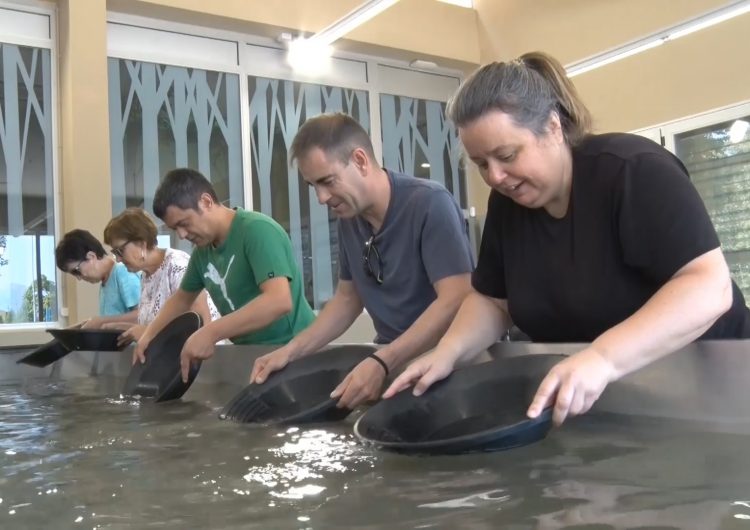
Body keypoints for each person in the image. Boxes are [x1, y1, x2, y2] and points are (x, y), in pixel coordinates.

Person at [384, 51, 750, 425]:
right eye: (481, 164)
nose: (494, 176)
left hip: (720, 391)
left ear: (554, 128)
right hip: (617, 403)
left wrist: (602, 358)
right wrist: (448, 351)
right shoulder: (507, 205)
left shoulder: (633, 172)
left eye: (506, 155)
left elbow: (708, 286)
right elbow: (494, 302)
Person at [250, 113, 474, 408]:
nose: (321, 197)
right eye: (312, 186)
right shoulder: (350, 220)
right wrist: (289, 352)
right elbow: (347, 300)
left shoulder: (429, 203)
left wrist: (382, 361)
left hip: (448, 367)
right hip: (392, 364)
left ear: (360, 160)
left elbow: (456, 298)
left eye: (327, 181)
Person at [133, 168, 315, 380]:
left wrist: (210, 332)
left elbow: (278, 301)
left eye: (184, 223)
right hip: (252, 357)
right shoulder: (202, 253)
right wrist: (149, 335)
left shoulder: (257, 231)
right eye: (175, 229)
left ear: (206, 202)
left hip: (296, 353)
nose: (182, 235)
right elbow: (182, 298)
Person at [103, 207, 220, 346]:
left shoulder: (177, 265)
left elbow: (199, 323)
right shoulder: (146, 276)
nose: (118, 259)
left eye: (120, 251)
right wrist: (122, 327)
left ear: (141, 243)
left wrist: (147, 332)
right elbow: (158, 322)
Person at [55, 229, 141, 329]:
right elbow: (111, 319)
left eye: (76, 271)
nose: (79, 278)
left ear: (91, 256)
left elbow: (142, 315)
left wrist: (101, 321)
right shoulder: (106, 281)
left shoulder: (122, 272)